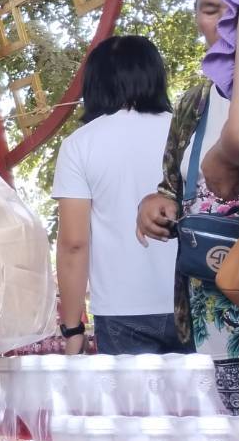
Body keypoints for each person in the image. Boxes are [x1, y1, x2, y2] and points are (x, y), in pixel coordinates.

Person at [136, 0, 239, 399]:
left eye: (233, 7)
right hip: (207, 316)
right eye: (209, 8)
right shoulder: (195, 102)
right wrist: (155, 205)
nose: (222, 21)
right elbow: (173, 186)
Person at [51, 35, 179, 354]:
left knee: (134, 406)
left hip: (122, 311)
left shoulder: (80, 146)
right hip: (196, 301)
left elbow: (73, 244)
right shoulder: (187, 130)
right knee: (214, 402)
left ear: (94, 84)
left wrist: (73, 328)